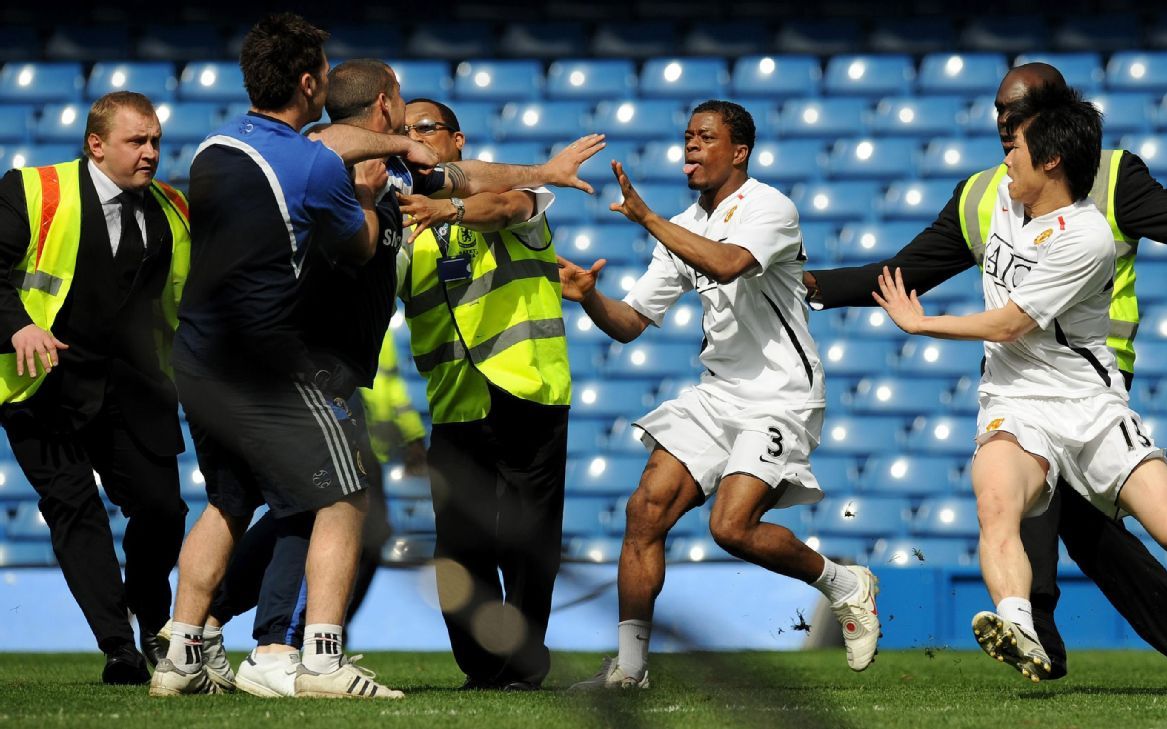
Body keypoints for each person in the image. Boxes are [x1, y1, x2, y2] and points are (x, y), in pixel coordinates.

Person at [151, 15, 604, 699]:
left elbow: (482, 183)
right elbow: (360, 235)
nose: (417, 134)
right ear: (381, 100)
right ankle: (292, 651)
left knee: (232, 501)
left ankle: (188, 647)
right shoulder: (324, 162)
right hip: (294, 364)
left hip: (216, 357)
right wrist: (378, 192)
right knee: (337, 495)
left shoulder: (239, 147)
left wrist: (542, 172)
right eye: (405, 114)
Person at [804, 62, 1167, 691]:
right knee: (1017, 503)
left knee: (1152, 534)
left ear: (1054, 123)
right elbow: (903, 273)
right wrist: (806, 286)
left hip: (1093, 386)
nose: (1000, 122)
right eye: (997, 109)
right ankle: (1033, 631)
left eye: (1013, 112)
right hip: (1018, 393)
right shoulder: (982, 194)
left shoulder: (1109, 180)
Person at [563, 100, 879, 690]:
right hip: (719, 393)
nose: (691, 147)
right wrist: (587, 298)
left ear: (739, 152)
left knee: (731, 527)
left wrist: (649, 218)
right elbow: (631, 322)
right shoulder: (684, 225)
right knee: (644, 511)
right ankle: (629, 670)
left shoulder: (769, 207)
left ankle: (843, 583)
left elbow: (730, 263)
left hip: (781, 394)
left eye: (705, 138)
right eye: (686, 137)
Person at [0, 91, 190, 685]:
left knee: (163, 511)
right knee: (74, 510)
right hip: (44, 386)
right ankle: (120, 649)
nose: (151, 152)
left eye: (156, 140)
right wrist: (18, 327)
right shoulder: (31, 191)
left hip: (136, 387)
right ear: (96, 144)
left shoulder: (175, 209)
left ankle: (154, 622)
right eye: (138, 141)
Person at [394, 97, 568, 691]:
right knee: (458, 550)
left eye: (425, 129)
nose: (414, 139)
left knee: (527, 542)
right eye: (402, 132)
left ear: (457, 140)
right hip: (455, 403)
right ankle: (482, 666)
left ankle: (522, 662)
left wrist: (448, 209)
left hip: (527, 389)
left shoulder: (518, 200)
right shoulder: (403, 230)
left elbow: (505, 204)